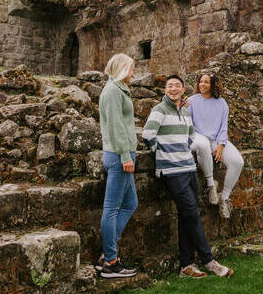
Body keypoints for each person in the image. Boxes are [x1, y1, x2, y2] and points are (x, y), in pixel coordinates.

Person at [142, 75, 233, 278]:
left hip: (188, 168)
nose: (173, 89)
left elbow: (191, 136)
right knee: (192, 213)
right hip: (172, 171)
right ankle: (209, 261)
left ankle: (186, 265)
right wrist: (164, 153)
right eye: (169, 86)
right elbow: (148, 135)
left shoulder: (184, 111)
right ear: (165, 90)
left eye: (177, 86)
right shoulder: (159, 110)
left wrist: (182, 151)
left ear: (184, 90)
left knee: (186, 215)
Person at [97, 53, 138, 279]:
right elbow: (115, 126)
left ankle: (108, 250)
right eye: (132, 68)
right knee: (111, 209)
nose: (134, 72)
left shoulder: (118, 88)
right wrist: (125, 156)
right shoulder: (113, 91)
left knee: (131, 203)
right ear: (122, 68)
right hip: (118, 155)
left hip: (122, 153)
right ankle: (111, 261)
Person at [189, 73, 244, 219]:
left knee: (238, 162)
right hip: (197, 137)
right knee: (203, 145)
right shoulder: (191, 101)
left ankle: (224, 198)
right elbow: (187, 123)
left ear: (213, 85)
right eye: (201, 82)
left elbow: (223, 127)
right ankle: (211, 186)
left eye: (206, 82)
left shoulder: (222, 103)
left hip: (215, 140)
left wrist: (221, 145)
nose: (202, 84)